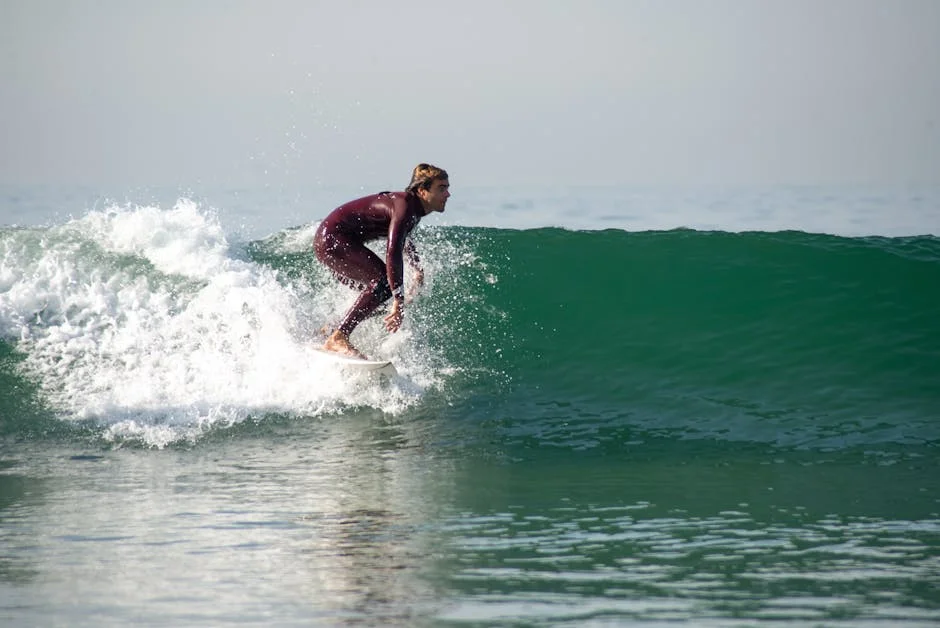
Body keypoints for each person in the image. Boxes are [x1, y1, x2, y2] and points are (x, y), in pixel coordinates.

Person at [313, 163, 450, 358]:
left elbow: (402, 238)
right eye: (442, 188)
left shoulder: (411, 208)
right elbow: (392, 250)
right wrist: (399, 299)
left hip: (333, 242)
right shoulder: (405, 208)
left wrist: (417, 269)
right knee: (384, 284)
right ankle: (338, 337)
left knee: (379, 295)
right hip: (332, 240)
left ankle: (331, 329)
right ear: (422, 191)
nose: (448, 195)